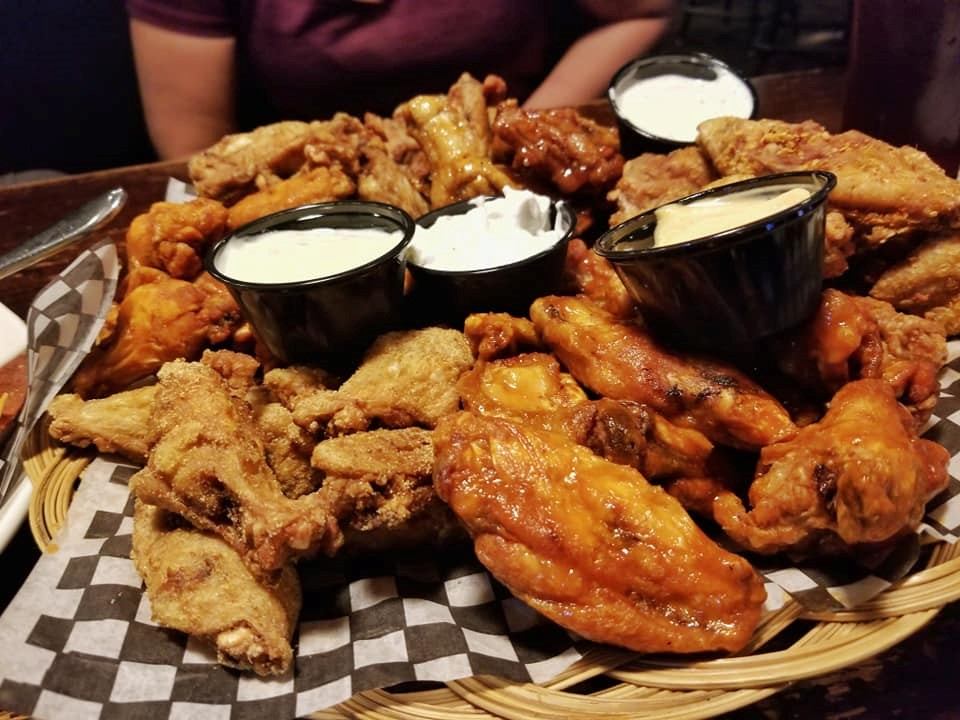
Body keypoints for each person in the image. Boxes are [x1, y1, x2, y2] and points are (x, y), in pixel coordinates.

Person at [125, 0, 676, 160]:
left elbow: (640, 10)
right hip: (311, 197)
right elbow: (193, 148)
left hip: (512, 167)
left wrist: (522, 131)